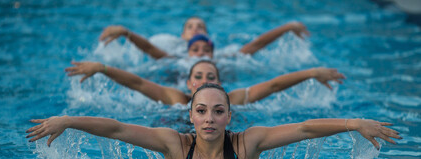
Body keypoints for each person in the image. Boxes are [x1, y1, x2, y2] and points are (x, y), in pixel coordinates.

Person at [26, 83, 401, 159]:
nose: (209, 118)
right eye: (201, 111)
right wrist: (69, 120)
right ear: (190, 116)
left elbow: (303, 128)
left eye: (217, 111)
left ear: (228, 116)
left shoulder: (248, 142)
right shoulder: (172, 144)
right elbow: (118, 128)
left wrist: (354, 124)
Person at [65, 60, 344, 105]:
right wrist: (101, 68)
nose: (204, 81)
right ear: (188, 84)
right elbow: (138, 84)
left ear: (220, 83)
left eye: (211, 77)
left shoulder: (232, 100)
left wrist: (310, 72)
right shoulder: (177, 100)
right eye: (198, 77)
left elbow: (272, 86)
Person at [99, 17, 309, 59]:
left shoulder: (221, 56)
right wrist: (127, 33)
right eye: (190, 27)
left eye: (200, 26)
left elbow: (255, 45)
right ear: (183, 37)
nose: (196, 29)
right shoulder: (176, 56)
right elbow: (153, 51)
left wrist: (286, 27)